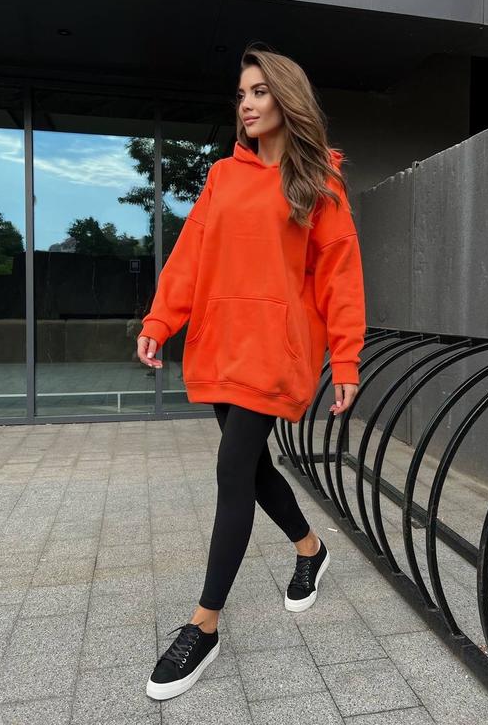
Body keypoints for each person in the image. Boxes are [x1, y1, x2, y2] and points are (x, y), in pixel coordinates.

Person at [136, 44, 366, 701]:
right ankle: (310, 548)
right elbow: (189, 254)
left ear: (287, 98)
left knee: (233, 471)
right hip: (220, 343)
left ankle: (203, 625)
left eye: (260, 91)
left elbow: (340, 275)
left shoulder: (319, 182)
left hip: (276, 351)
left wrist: (345, 357)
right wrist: (160, 319)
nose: (247, 103)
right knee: (255, 469)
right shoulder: (222, 177)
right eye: (241, 93)